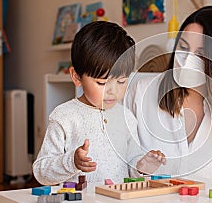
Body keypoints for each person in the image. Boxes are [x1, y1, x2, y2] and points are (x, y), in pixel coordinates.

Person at [125, 6, 212, 186]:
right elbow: (119, 164)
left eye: (200, 54)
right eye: (183, 47)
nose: (186, 61)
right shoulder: (141, 93)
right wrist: (139, 169)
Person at [33, 21, 165, 186]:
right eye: (102, 83)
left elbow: (130, 165)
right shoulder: (64, 117)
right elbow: (41, 172)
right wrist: (71, 162)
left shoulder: (127, 118)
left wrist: (142, 166)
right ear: (76, 77)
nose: (112, 91)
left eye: (122, 81)